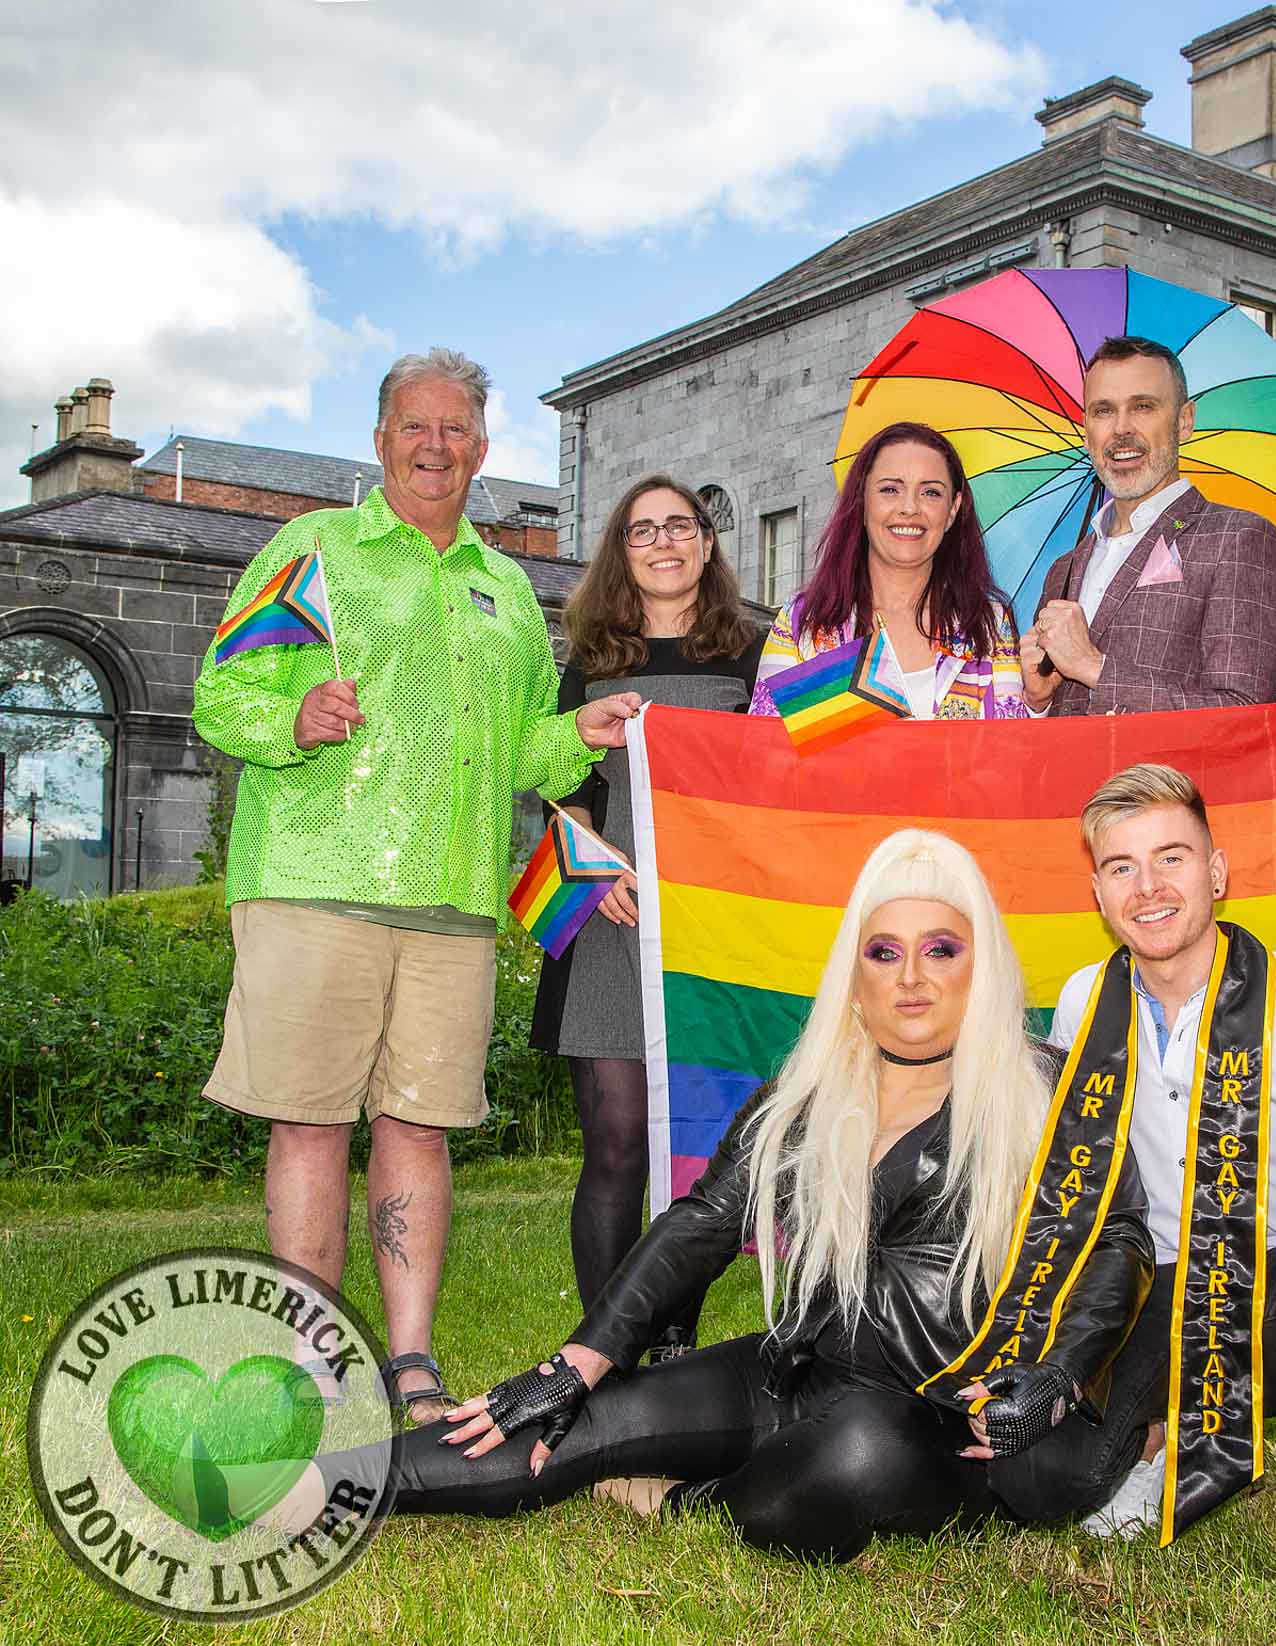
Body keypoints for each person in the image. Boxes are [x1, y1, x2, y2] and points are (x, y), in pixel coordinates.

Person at [284, 831, 1155, 1563]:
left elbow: (1118, 1240)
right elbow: (704, 1222)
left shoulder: (1049, 1091)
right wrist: (576, 1361)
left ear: (982, 964)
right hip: (794, 1374)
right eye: (883, 953)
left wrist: (1059, 1375)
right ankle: (310, 1489)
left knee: (847, 1463)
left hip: (937, 1421)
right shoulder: (812, 1088)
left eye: (942, 950)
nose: (911, 980)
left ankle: (689, 1503)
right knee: (576, 1424)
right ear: (853, 976)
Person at [193, 348, 644, 1424]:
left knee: (420, 1124)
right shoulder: (313, 550)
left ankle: (408, 1358)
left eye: (456, 429)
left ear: (482, 450)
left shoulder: (503, 589)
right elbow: (224, 688)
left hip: (452, 900)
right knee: (308, 1122)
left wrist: (575, 730)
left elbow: (532, 750)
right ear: (381, 438)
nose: (435, 444)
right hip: (313, 879)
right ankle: (311, 1352)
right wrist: (289, 719)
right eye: (414, 425)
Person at [994, 764, 1276, 1635]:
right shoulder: (1086, 1002)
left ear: (1218, 872)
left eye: (1172, 858)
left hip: (1273, 1299)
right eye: (1122, 867)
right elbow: (1062, 1183)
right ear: (1096, 890)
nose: (1150, 887)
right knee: (1034, 1485)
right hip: (1136, 1303)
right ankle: (1152, 1444)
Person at [530, 475, 765, 1347]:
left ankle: (671, 1347)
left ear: (708, 542)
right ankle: (603, 1356)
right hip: (612, 926)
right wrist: (592, 869)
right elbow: (562, 789)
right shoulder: (590, 665)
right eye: (642, 531)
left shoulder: (759, 655)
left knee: (700, 1156)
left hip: (719, 931)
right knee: (619, 1147)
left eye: (681, 526)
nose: (664, 542)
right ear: (620, 555)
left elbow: (780, 790)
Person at [1018, 335, 1276, 715]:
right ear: (1087, 429)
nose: (1121, 429)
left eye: (1143, 407)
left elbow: (1242, 713)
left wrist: (1094, 668)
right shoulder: (1063, 569)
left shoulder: (1238, 538)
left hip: (1170, 777)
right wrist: (1039, 700)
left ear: (1184, 421)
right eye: (1103, 411)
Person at [750, 423, 1026, 720]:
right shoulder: (806, 622)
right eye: (890, 490)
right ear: (862, 501)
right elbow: (766, 751)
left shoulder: (989, 625)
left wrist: (1036, 702)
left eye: (931, 492)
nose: (909, 508)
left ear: (953, 510)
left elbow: (1012, 750)